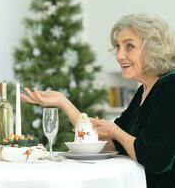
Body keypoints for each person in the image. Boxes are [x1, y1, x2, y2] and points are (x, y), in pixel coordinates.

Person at [21, 13, 175, 188]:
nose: (119, 55)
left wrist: (115, 131)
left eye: (129, 46)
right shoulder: (144, 90)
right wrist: (63, 101)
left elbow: (155, 159)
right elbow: (108, 143)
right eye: (117, 46)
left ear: (153, 48)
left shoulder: (170, 86)